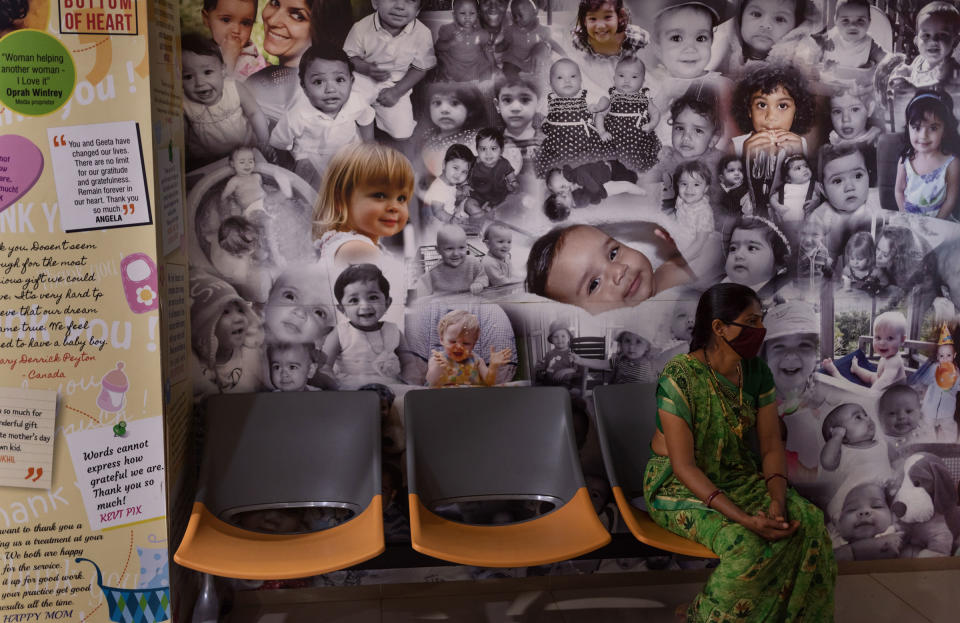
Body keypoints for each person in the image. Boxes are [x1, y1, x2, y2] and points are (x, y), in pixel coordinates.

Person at [644, 283, 836, 620]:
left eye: (761, 321)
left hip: (737, 474)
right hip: (677, 486)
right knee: (744, 543)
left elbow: (771, 443)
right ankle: (700, 616)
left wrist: (776, 500)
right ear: (719, 327)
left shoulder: (756, 372)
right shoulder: (680, 376)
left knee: (808, 521)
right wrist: (746, 519)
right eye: (751, 321)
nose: (760, 331)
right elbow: (684, 466)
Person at [525, 223, 694, 314]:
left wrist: (683, 248)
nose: (618, 271)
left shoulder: (672, 271)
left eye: (613, 253)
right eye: (594, 284)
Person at [269, 44, 375, 187]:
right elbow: (279, 142)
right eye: (318, 82)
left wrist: (369, 143)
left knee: (366, 182)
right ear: (304, 87)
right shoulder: (298, 115)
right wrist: (285, 168)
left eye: (339, 80)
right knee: (310, 190)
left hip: (348, 148)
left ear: (351, 81)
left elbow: (366, 117)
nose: (330, 89)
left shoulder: (356, 102)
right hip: (309, 154)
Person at [343, 0, 437, 140]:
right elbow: (349, 57)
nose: (400, 6)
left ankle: (375, 113)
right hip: (362, 79)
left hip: (396, 83)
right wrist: (366, 68)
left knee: (402, 133)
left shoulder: (422, 33)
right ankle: (366, 132)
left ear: (418, 10)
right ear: (375, 3)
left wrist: (396, 92)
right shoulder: (361, 28)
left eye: (410, 1)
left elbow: (420, 69)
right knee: (347, 111)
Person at [312, 142, 414, 270]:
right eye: (380, 195)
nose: (395, 207)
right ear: (341, 200)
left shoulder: (351, 244)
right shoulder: (358, 250)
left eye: (401, 198)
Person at [322, 263, 418, 387]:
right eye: (354, 300)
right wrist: (331, 385)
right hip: (350, 387)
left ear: (387, 303)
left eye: (373, 297)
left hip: (391, 387)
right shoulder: (340, 333)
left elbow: (408, 360)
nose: (365, 306)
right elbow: (325, 366)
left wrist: (410, 377)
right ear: (342, 309)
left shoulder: (393, 331)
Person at [181, 34, 271, 164]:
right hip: (208, 160)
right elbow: (181, 137)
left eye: (207, 72)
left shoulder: (234, 88)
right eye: (188, 76)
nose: (199, 82)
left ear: (222, 71)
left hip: (245, 151)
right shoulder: (184, 103)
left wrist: (264, 142)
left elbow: (254, 112)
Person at [535, 58, 607, 179]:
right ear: (551, 84)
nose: (567, 81)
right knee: (552, 166)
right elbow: (537, 116)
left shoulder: (585, 96)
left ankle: (585, 178)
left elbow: (605, 99)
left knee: (589, 165)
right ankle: (559, 179)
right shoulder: (548, 99)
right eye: (560, 78)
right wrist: (537, 130)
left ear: (580, 81)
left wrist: (599, 106)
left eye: (573, 76)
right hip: (556, 144)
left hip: (583, 142)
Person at [895, 90, 960, 219]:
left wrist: (936, 223)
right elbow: (899, 191)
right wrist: (905, 216)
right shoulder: (906, 160)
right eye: (917, 127)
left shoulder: (952, 163)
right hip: (909, 218)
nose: (923, 136)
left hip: (939, 220)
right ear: (908, 128)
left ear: (945, 130)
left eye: (933, 128)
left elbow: (951, 199)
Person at [565, 0, 651, 96]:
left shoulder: (634, 37)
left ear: (619, 16)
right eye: (593, 19)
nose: (601, 26)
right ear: (585, 21)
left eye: (607, 17)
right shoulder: (580, 39)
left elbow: (650, 52)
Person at [596, 57, 661, 175]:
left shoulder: (645, 97)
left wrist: (651, 124)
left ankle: (637, 175)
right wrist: (601, 132)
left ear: (643, 81)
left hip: (638, 140)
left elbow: (655, 113)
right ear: (614, 79)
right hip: (615, 140)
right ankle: (614, 173)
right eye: (621, 76)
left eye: (634, 77)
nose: (627, 80)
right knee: (609, 161)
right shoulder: (613, 97)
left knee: (641, 163)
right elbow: (600, 115)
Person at [822, 311, 907, 392]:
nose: (882, 343)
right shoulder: (888, 356)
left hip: (888, 399)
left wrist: (868, 394)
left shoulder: (894, 361)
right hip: (886, 390)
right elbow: (881, 379)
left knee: (854, 389)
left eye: (890, 338)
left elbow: (885, 380)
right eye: (878, 337)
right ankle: (856, 369)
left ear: (902, 340)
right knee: (872, 376)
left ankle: (835, 372)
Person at [426, 309, 512, 387]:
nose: (459, 347)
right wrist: (439, 367)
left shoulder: (477, 361)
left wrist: (493, 366)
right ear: (442, 340)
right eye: (453, 341)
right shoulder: (437, 360)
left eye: (466, 343)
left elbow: (489, 383)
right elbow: (430, 383)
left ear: (473, 344)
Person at [200, 0, 267, 78]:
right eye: (226, 20)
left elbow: (223, 89)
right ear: (206, 19)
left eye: (245, 23)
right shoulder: (197, 54)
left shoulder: (252, 66)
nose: (236, 30)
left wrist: (229, 61)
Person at [417, 224, 489, 296]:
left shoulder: (473, 263)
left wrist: (479, 283)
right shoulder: (433, 272)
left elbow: (483, 277)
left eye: (461, 248)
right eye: (449, 249)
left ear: (466, 247)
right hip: (445, 305)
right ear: (438, 250)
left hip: (470, 302)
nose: (456, 253)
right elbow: (421, 290)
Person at [434, 0, 495, 82]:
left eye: (472, 13)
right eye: (463, 13)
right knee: (441, 68)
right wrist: (451, 42)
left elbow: (487, 50)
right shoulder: (448, 29)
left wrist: (492, 61)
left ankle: (484, 84)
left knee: (486, 68)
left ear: (477, 14)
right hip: (454, 65)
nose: (467, 16)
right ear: (454, 15)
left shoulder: (481, 33)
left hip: (475, 65)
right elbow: (438, 47)